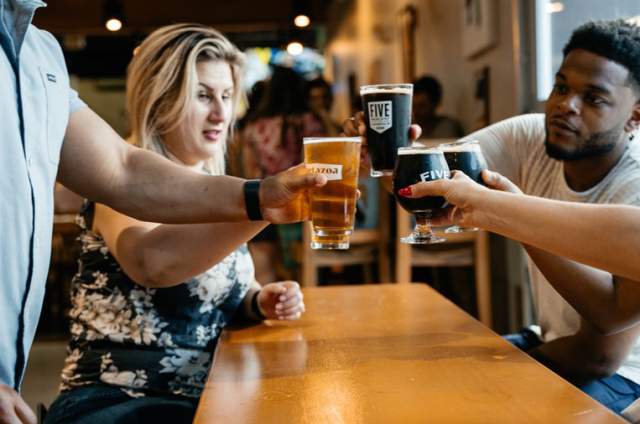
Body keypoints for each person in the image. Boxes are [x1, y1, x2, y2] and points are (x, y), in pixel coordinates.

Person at [0, 2, 324, 423]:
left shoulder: (39, 50)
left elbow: (209, 291)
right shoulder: (126, 187)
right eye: (203, 95)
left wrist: (256, 301)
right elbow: (152, 261)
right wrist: (262, 206)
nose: (221, 113)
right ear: (162, 98)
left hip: (199, 396)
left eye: (227, 96)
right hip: (123, 400)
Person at [346, 19, 640, 414]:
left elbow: (602, 352)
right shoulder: (530, 136)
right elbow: (435, 185)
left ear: (634, 117)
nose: (565, 105)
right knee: (401, 384)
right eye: (562, 86)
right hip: (553, 342)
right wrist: (385, 159)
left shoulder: (633, 184)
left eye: (594, 99)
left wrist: (509, 212)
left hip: (622, 376)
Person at [412, 75, 464, 139]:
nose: (416, 110)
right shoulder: (409, 129)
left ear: (435, 103)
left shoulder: (447, 128)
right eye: (413, 106)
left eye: (422, 106)